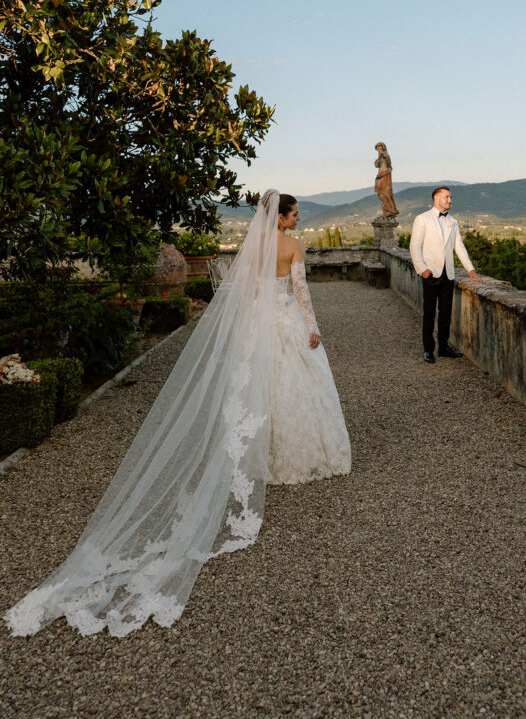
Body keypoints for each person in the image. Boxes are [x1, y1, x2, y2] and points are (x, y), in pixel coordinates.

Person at [5, 190, 351, 638]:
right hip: (287, 324)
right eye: (295, 213)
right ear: (281, 217)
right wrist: (313, 330)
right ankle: (292, 457)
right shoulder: (293, 247)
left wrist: (250, 329)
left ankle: (261, 456)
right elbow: (301, 292)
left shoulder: (257, 248)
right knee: (294, 391)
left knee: (256, 392)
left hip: (260, 327)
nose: (298, 218)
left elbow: (246, 294)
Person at [409, 186, 482, 364]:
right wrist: (423, 269)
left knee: (445, 313)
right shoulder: (422, 219)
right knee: (428, 313)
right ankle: (428, 349)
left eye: (450, 198)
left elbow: (459, 247)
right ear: (437, 198)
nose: (450, 200)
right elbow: (414, 246)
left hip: (448, 274)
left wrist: (470, 269)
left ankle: (443, 347)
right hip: (430, 273)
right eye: (447, 197)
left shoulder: (453, 222)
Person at [374, 142, 399, 218]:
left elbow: (389, 166)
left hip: (384, 175)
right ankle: (386, 211)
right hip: (380, 175)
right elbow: (376, 165)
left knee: (385, 193)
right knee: (380, 194)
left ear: (383, 147)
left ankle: (390, 210)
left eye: (380, 147)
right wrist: (379, 157)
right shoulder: (380, 156)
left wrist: (385, 172)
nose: (378, 149)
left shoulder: (385, 155)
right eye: (377, 148)